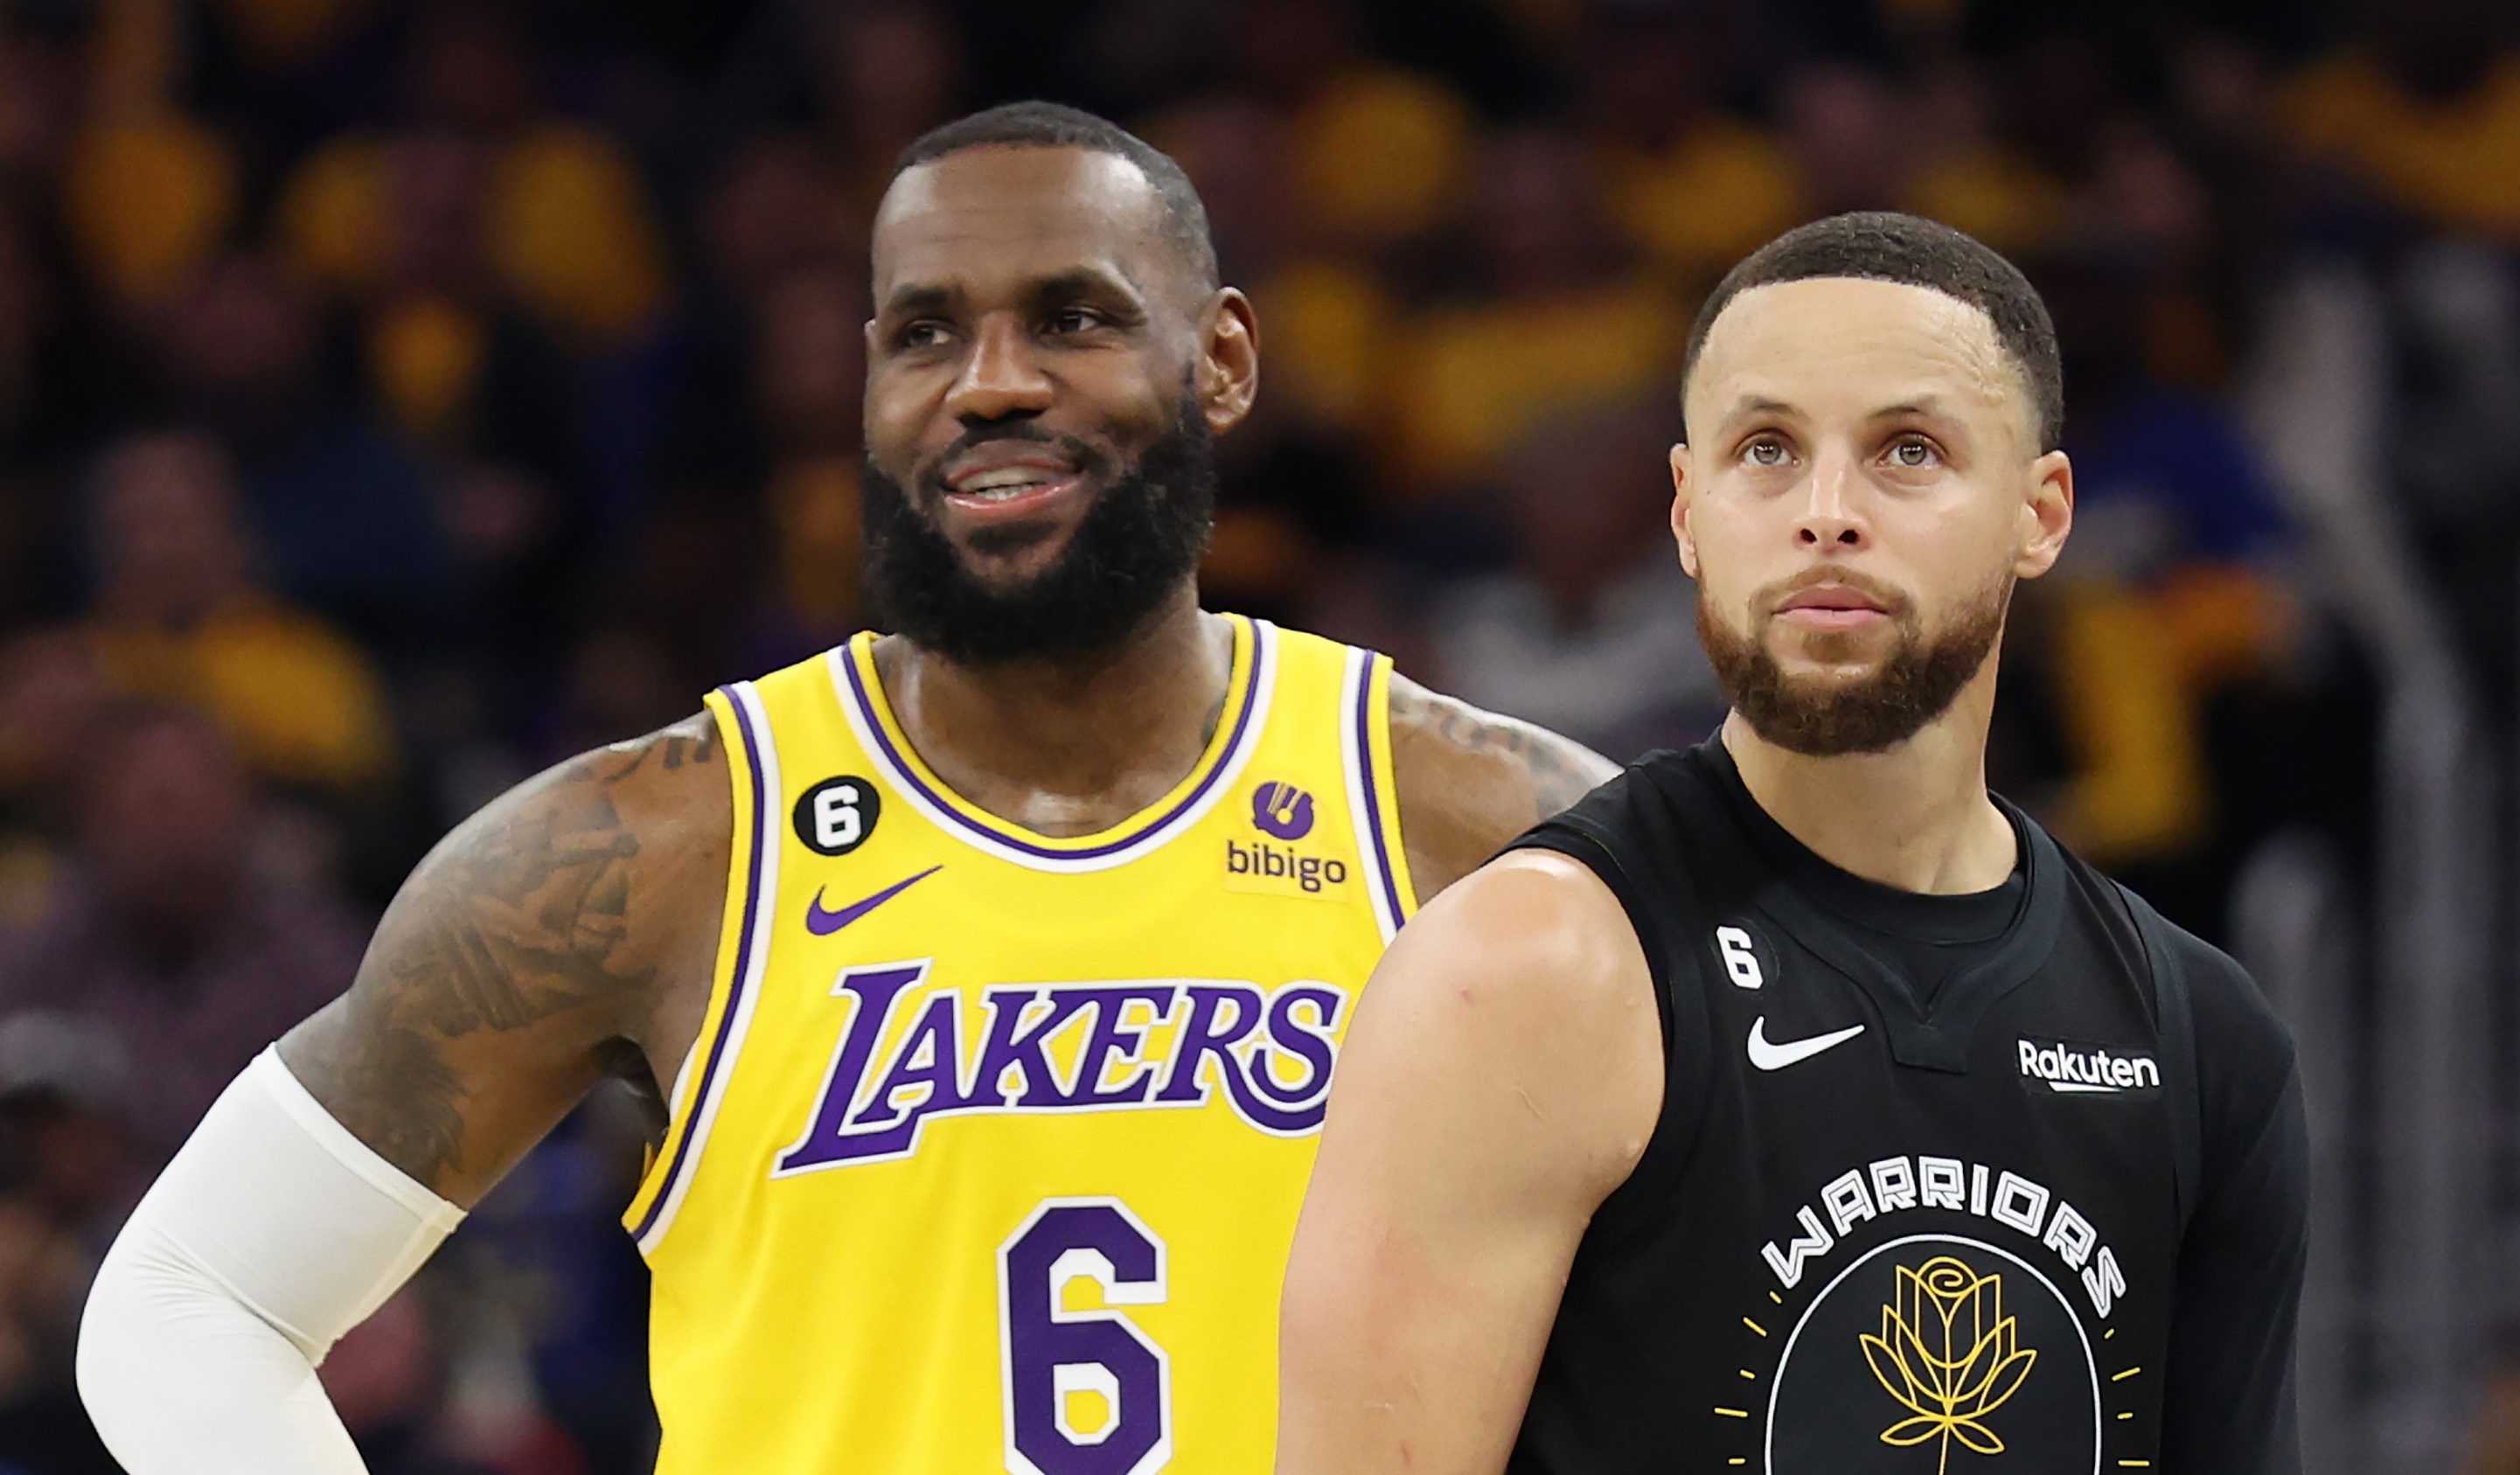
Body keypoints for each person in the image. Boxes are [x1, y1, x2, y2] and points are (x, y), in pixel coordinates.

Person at [75, 102, 1615, 1475]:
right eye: (924, 333)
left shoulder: (1481, 831)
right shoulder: (657, 846)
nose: (990, 383)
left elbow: (1792, 1285)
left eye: (1071, 318)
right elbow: (184, 1304)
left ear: (1220, 361)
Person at [1277, 212, 2308, 1475]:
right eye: (1766, 450)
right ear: (1688, 510)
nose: (1828, 512)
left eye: (1909, 451)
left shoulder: (2203, 1034)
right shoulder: (1528, 970)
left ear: (2040, 515)